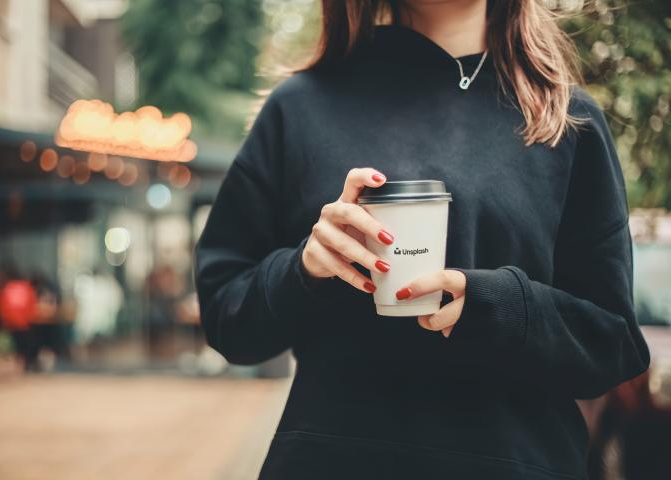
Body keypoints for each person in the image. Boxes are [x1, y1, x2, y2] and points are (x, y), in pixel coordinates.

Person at [194, 1, 650, 478]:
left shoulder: (567, 118)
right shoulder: (299, 106)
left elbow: (612, 345)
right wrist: (304, 269)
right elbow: (228, 319)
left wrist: (504, 307)